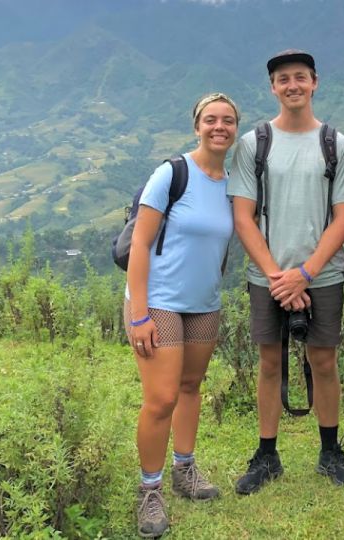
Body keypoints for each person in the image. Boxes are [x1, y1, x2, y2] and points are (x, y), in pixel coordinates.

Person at [227, 49, 344, 494]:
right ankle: (267, 455)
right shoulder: (254, 143)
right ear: (273, 87)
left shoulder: (335, 145)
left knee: (323, 360)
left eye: (300, 77)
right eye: (283, 79)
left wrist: (304, 273)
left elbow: (343, 217)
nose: (292, 85)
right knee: (270, 362)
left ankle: (330, 452)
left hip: (321, 274)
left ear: (315, 82)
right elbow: (243, 216)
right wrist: (278, 276)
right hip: (267, 275)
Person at [124, 92, 238, 537]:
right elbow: (139, 242)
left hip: (204, 302)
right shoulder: (172, 174)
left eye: (228, 120)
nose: (219, 127)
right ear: (197, 126)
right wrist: (138, 313)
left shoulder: (230, 182)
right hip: (159, 302)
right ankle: (149, 490)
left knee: (191, 387)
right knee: (162, 398)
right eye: (211, 119)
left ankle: (184, 469)